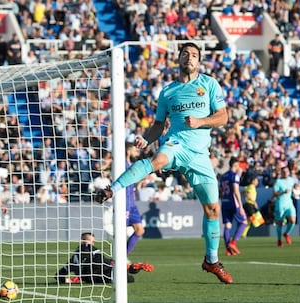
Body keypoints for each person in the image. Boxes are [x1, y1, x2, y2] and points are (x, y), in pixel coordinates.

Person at [95, 42, 233, 284]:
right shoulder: (168, 92)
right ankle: (111, 189)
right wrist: (145, 139)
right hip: (176, 143)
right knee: (157, 159)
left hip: (200, 155)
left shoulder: (209, 84)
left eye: (194, 55)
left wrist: (200, 122)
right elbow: (159, 125)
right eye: (185, 54)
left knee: (213, 210)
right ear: (178, 59)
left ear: (199, 62)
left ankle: (211, 261)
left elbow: (223, 117)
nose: (189, 58)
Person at [55, 232, 153, 284]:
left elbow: (58, 275)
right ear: (83, 241)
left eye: (93, 242)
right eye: (90, 241)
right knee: (128, 278)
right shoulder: (92, 250)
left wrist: (69, 281)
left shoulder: (73, 258)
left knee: (122, 272)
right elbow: (102, 261)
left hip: (91, 277)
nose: (92, 243)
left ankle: (132, 267)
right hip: (101, 275)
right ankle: (132, 267)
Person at [219, 157, 247, 256]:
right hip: (233, 203)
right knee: (244, 222)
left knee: (228, 225)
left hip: (224, 202)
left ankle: (228, 250)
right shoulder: (234, 176)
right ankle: (233, 243)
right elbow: (235, 191)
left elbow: (221, 191)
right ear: (235, 165)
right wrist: (241, 206)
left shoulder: (223, 176)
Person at [124, 143, 145, 257]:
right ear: (128, 151)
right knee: (121, 233)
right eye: (135, 150)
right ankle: (118, 258)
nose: (137, 153)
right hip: (124, 203)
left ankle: (124, 256)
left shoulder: (130, 164)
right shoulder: (121, 164)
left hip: (132, 204)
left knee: (139, 230)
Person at [272, 166, 296, 247]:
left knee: (293, 220)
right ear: (281, 173)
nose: (286, 173)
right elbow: (274, 193)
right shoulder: (278, 181)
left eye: (287, 171)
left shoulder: (291, 180)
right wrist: (282, 192)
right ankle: (279, 239)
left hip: (289, 203)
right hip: (280, 204)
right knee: (280, 223)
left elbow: (294, 187)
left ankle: (287, 234)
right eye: (284, 172)